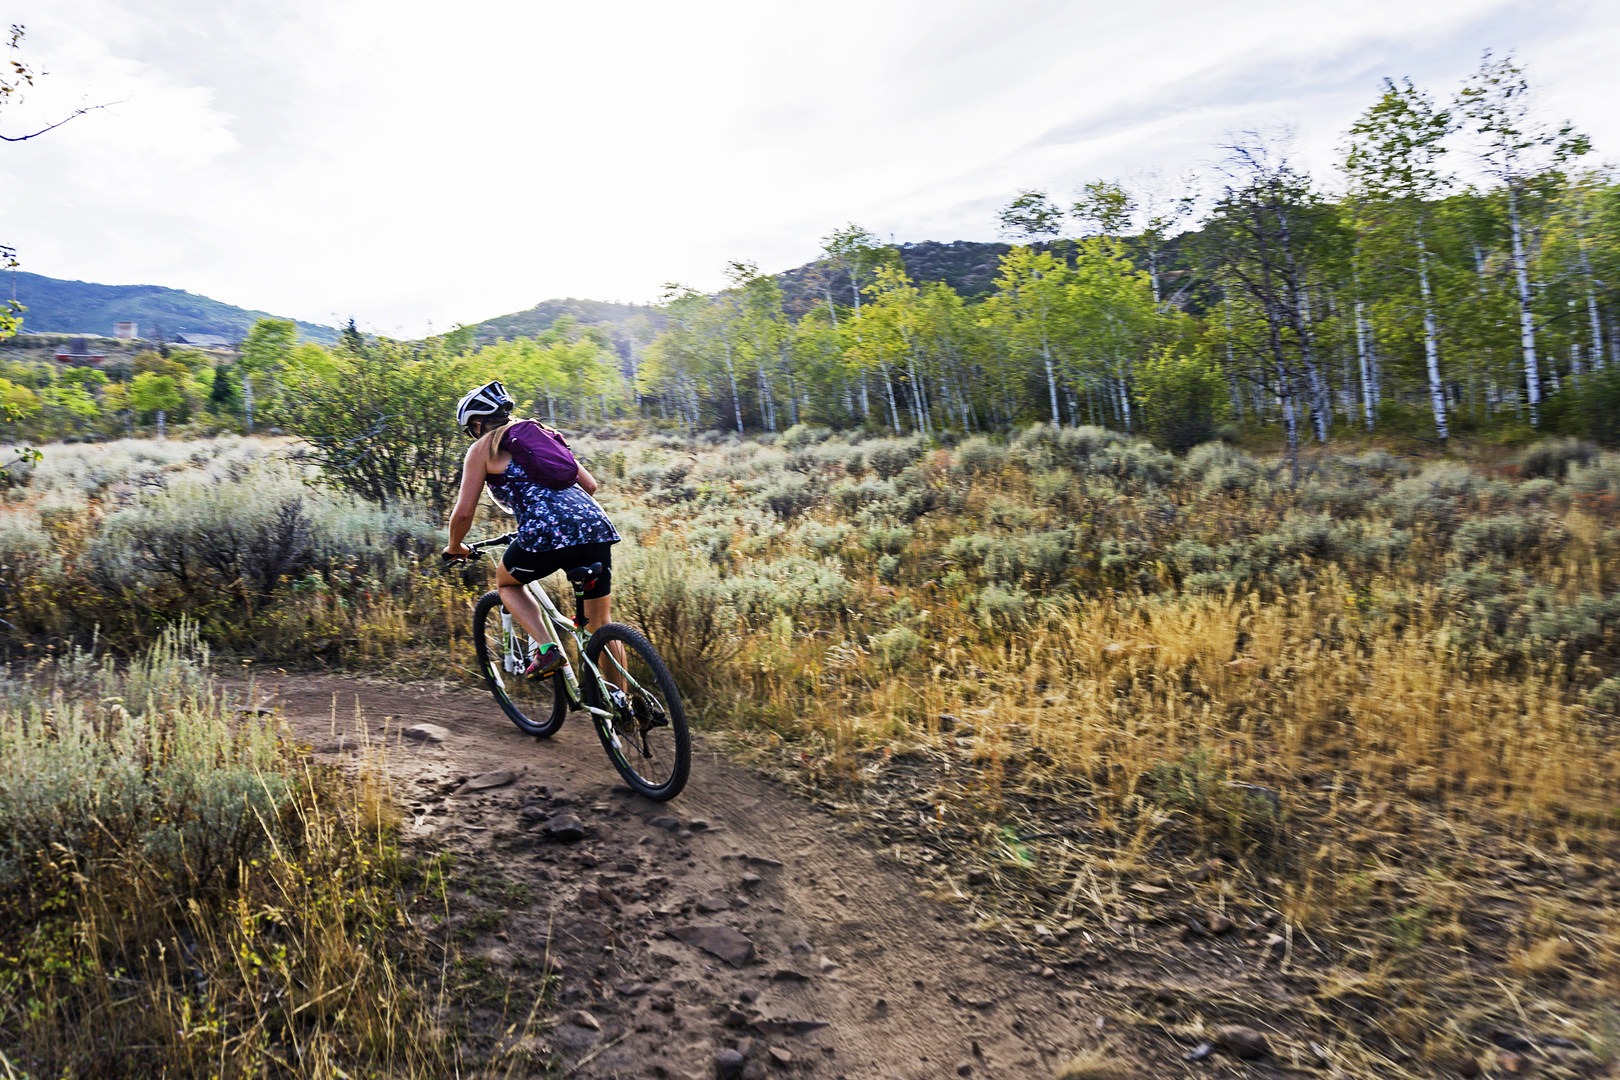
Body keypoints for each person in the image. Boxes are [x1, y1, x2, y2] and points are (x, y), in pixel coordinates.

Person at [443, 381, 620, 677]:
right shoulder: (542, 434)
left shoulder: (482, 449)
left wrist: (454, 546)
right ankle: (623, 708)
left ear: (477, 423)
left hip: (543, 533)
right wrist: (569, 516)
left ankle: (547, 649)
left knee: (507, 583)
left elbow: (463, 514)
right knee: (601, 625)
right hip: (595, 525)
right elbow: (589, 485)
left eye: (470, 429)